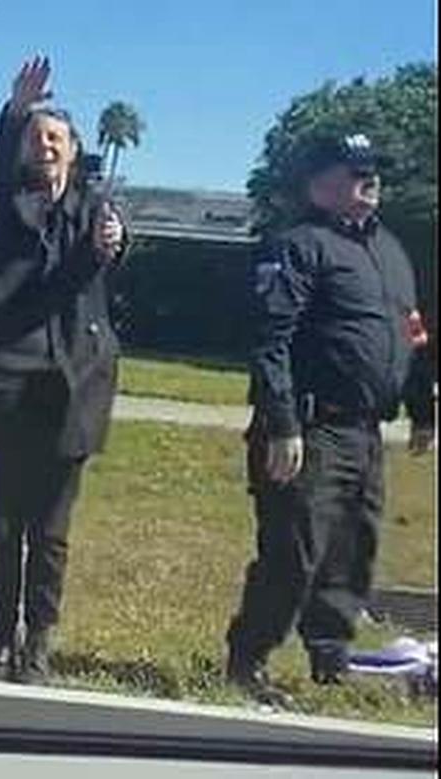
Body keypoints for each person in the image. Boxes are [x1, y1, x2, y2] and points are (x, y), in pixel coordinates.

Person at [225, 132, 436, 706]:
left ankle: (331, 657)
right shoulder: (296, 245)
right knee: (295, 550)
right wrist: (283, 423)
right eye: (356, 171)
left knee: (352, 550)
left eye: (375, 171)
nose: (371, 182)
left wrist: (422, 409)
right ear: (320, 183)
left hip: (366, 431)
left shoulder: (389, 251)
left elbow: (412, 334)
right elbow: (271, 340)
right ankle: (249, 659)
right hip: (311, 429)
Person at [0, 57, 127, 682]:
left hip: (71, 386)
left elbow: (109, 238)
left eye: (56, 138)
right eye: (37, 138)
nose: (45, 146)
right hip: (5, 380)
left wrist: (113, 242)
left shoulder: (96, 207)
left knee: (51, 528)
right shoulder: (10, 201)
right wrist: (15, 112)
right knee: (3, 520)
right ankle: (0, 637)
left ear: (75, 152)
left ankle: (39, 642)